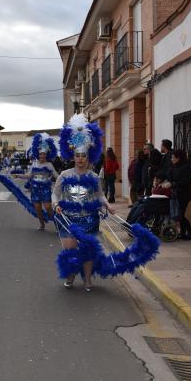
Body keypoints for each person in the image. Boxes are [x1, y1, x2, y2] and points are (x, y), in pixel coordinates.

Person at [54, 115, 125, 292]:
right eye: (77, 155)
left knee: (88, 252)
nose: (80, 159)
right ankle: (70, 275)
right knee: (70, 252)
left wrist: (107, 205)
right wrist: (56, 205)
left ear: (88, 157)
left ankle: (87, 279)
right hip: (68, 220)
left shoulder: (93, 177)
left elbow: (100, 196)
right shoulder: (64, 175)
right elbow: (54, 195)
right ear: (73, 156)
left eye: (83, 156)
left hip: (89, 220)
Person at [0, 133, 58, 230]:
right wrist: (18, 175)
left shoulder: (49, 165)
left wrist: (64, 180)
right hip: (35, 190)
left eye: (44, 154)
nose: (42, 156)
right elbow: (28, 176)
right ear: (37, 154)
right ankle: (42, 224)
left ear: (46, 154)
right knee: (38, 209)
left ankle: (57, 224)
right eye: (40, 154)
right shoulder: (34, 164)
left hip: (45, 190)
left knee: (48, 207)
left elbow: (57, 176)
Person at [168, 149, 191, 240]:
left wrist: (173, 184)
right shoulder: (173, 166)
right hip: (175, 194)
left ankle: (186, 233)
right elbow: (169, 177)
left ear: (178, 158)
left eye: (173, 157)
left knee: (180, 215)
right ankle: (188, 233)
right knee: (179, 215)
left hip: (184, 194)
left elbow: (186, 181)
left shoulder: (186, 167)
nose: (171, 159)